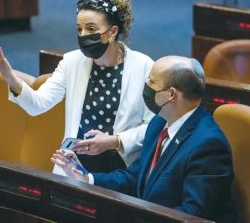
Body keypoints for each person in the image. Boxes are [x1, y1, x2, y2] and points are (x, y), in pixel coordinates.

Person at [0, 0, 154, 174]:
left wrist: (115, 140)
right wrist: (7, 73)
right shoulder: (72, 61)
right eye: (79, 29)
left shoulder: (144, 67)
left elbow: (153, 128)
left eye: (91, 28)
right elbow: (37, 104)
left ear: (112, 32)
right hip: (74, 167)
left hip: (121, 170)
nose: (83, 35)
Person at [51, 56, 236, 222]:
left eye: (151, 81)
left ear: (171, 94)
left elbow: (192, 214)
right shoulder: (158, 123)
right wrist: (86, 178)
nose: (145, 85)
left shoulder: (208, 145)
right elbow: (134, 177)